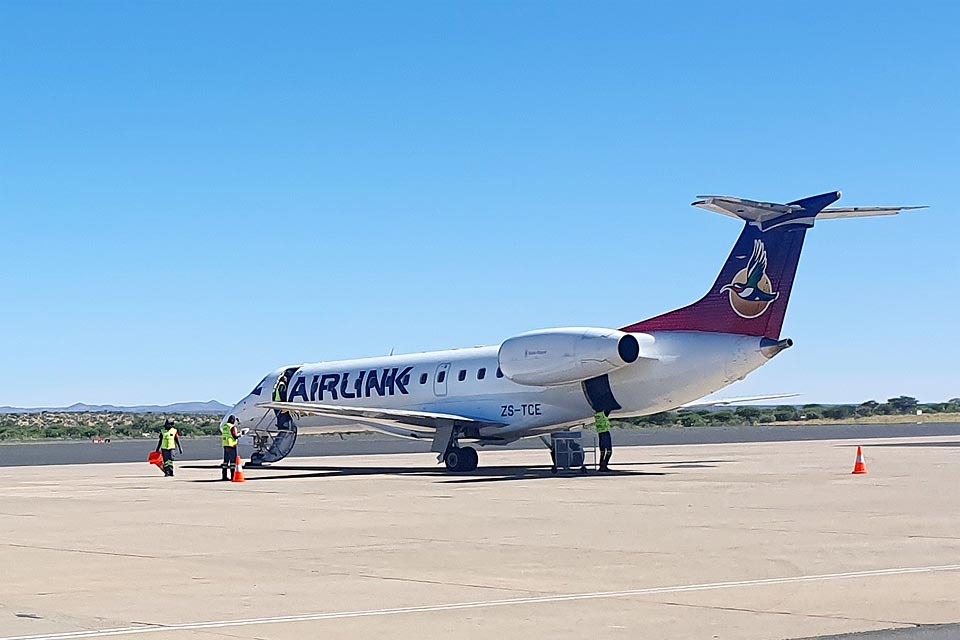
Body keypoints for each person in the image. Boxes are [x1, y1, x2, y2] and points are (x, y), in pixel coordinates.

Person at [221, 415, 240, 481]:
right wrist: (240, 435)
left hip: (225, 445)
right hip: (232, 445)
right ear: (232, 420)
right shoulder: (232, 427)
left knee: (225, 461)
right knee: (232, 462)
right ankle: (232, 476)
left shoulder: (225, 426)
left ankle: (224, 476)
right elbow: (234, 436)